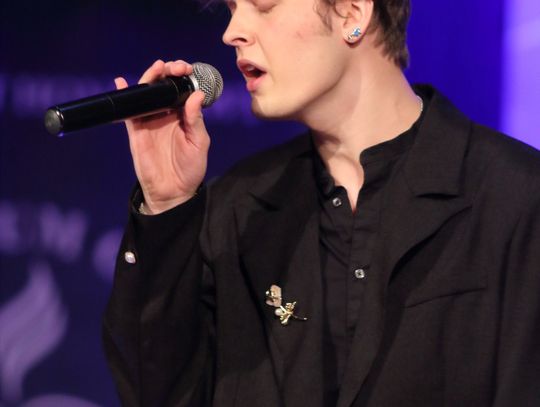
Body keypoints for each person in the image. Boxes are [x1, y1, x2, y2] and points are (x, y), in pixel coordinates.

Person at [103, 0, 540, 405]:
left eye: (263, 6)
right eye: (233, 8)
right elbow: (156, 393)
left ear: (353, 12)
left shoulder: (514, 197)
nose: (232, 31)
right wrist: (166, 204)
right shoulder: (236, 209)